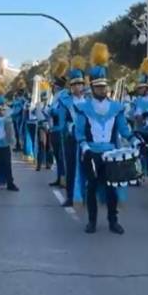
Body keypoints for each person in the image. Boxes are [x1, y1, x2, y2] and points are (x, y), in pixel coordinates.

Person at [74, 43, 139, 235]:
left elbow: (123, 130)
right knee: (92, 188)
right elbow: (79, 133)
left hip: (111, 153)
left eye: (104, 87)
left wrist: (133, 139)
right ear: (92, 88)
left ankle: (113, 221)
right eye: (98, 87)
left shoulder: (116, 107)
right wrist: (85, 147)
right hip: (91, 153)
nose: (102, 90)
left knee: (112, 189)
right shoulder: (83, 108)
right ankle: (92, 222)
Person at [61, 56, 88, 207]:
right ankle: (70, 196)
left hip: (87, 139)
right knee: (71, 168)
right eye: (75, 84)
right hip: (71, 140)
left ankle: (87, 195)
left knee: (88, 168)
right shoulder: (65, 102)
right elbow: (63, 121)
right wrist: (70, 128)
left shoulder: (89, 101)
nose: (78, 87)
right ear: (71, 86)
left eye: (80, 84)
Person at [129, 57, 148, 185]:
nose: (138, 90)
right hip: (139, 130)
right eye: (138, 88)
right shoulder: (136, 100)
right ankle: (137, 176)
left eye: (141, 87)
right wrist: (136, 116)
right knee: (137, 154)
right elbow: (129, 114)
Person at [47, 64, 69, 187]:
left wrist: (51, 111)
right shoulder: (55, 96)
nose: (53, 88)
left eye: (54, 85)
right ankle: (59, 177)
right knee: (57, 155)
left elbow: (60, 112)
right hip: (54, 128)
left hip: (61, 129)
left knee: (62, 155)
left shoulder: (64, 96)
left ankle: (64, 178)